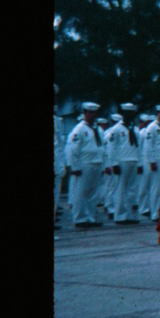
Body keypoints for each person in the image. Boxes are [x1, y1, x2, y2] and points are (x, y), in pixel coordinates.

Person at [67, 102, 105, 228]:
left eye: (93, 112)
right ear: (84, 113)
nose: (91, 115)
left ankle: (91, 217)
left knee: (93, 193)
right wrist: (75, 167)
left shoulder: (96, 129)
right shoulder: (79, 129)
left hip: (96, 163)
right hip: (84, 164)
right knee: (80, 192)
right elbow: (73, 150)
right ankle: (80, 218)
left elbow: (101, 148)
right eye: (89, 112)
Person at [106, 103, 142, 225]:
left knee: (132, 190)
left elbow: (139, 148)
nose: (130, 116)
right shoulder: (116, 129)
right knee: (120, 189)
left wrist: (140, 163)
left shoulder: (135, 130)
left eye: (132, 113)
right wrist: (114, 164)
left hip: (133, 160)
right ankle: (120, 216)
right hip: (122, 161)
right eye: (127, 113)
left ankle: (130, 215)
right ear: (123, 115)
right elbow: (111, 148)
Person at [53, 85, 68, 230]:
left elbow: (60, 144)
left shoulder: (56, 120)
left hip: (56, 163)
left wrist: (62, 164)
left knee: (55, 193)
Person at [135, 113, 152, 219]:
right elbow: (138, 149)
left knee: (151, 186)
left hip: (151, 160)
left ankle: (149, 207)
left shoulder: (149, 131)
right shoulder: (141, 133)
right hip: (143, 160)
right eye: (146, 122)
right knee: (143, 185)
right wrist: (139, 163)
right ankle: (142, 207)